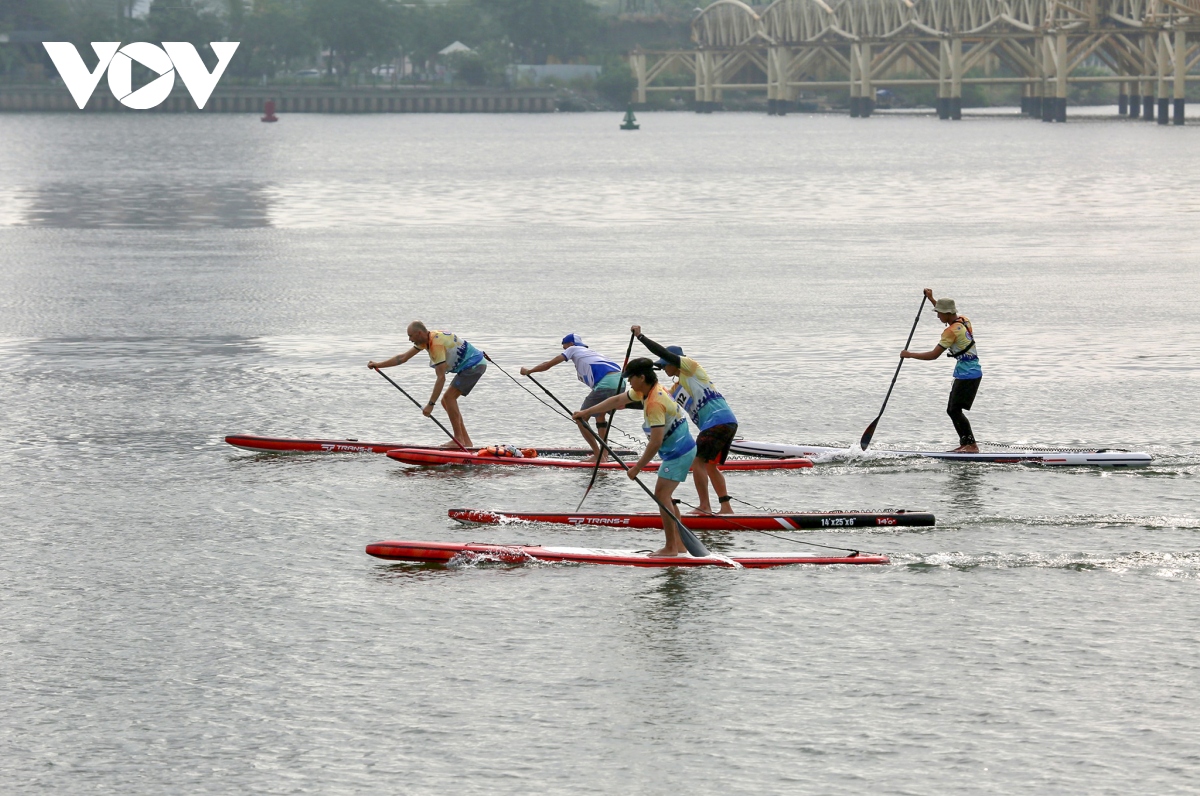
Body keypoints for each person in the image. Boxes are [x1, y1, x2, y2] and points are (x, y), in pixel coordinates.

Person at [573, 358, 697, 557]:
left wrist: (637, 467)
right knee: (666, 498)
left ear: (641, 377)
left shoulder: (655, 402)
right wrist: (587, 411)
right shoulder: (647, 390)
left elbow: (655, 442)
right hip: (678, 450)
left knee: (662, 496)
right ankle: (680, 545)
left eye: (631, 378)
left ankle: (671, 548)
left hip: (679, 453)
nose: (628, 381)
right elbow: (617, 400)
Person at [630, 325, 739, 515]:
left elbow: (663, 352)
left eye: (665, 365)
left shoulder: (691, 368)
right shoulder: (675, 389)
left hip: (718, 420)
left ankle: (704, 506)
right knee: (709, 466)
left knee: (698, 462)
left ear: (675, 362)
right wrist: (617, 405)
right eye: (661, 366)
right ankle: (726, 507)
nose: (663, 368)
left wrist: (641, 337)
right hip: (726, 422)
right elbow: (651, 401)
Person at [368, 321, 486, 448]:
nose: (409, 339)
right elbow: (402, 358)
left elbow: (441, 378)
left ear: (419, 333)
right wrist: (378, 365)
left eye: (410, 336)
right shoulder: (427, 339)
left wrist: (430, 405)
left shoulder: (436, 344)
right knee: (446, 401)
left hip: (474, 365)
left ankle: (458, 440)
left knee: (449, 398)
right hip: (470, 365)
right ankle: (465, 442)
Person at [901, 289, 982, 452]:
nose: (937, 316)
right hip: (968, 372)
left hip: (969, 374)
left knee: (953, 410)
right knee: (953, 410)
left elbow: (933, 355)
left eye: (939, 313)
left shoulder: (950, 332)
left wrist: (909, 355)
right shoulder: (964, 320)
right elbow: (946, 312)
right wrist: (931, 299)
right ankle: (966, 444)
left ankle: (971, 445)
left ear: (946, 314)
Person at [520, 333, 622, 464]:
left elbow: (547, 365)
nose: (564, 350)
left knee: (580, 418)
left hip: (607, 384)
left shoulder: (573, 349)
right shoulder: (591, 353)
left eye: (564, 347)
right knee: (600, 417)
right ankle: (604, 455)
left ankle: (599, 456)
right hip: (620, 382)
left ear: (571, 344)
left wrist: (529, 371)